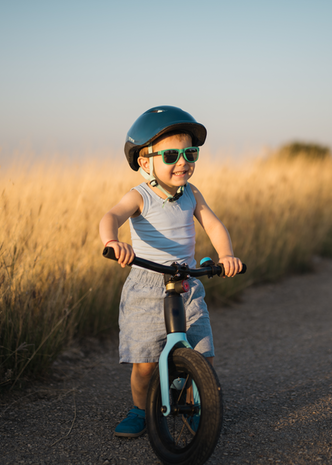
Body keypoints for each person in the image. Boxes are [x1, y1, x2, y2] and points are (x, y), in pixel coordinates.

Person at [99, 105, 243, 438]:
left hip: (187, 282)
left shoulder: (192, 194)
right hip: (146, 285)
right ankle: (140, 410)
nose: (183, 162)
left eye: (190, 153)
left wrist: (227, 254)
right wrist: (113, 241)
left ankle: (197, 406)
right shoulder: (140, 195)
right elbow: (111, 216)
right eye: (171, 155)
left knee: (202, 356)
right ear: (145, 161)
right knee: (145, 365)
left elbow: (213, 223)